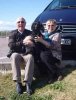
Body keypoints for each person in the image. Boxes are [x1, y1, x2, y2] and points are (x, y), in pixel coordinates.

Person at [7, 17, 34, 95]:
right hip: (17, 53)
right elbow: (11, 45)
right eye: (18, 22)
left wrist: (32, 43)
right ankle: (18, 83)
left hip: (26, 53)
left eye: (22, 22)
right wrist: (23, 42)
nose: (20, 23)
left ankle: (28, 83)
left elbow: (33, 42)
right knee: (14, 56)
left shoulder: (29, 32)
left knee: (30, 57)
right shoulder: (13, 33)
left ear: (25, 24)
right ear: (16, 24)